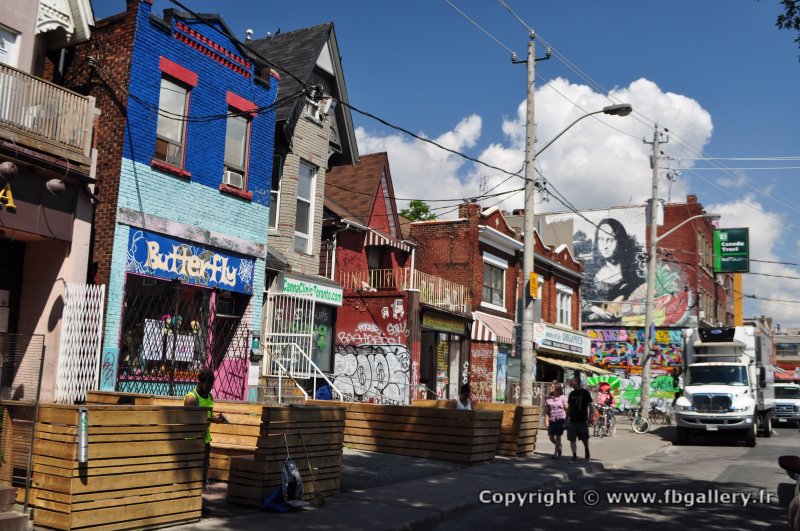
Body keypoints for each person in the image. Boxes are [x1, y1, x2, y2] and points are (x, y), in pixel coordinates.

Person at [585, 218, 644, 321]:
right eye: (601, 239)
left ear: (621, 241)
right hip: (592, 326)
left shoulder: (633, 276)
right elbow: (580, 299)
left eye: (611, 239)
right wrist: (595, 309)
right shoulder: (590, 275)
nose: (605, 246)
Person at [184, 368, 224, 515]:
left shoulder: (210, 397)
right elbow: (188, 419)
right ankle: (187, 502)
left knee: (202, 473)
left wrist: (216, 419)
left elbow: (208, 415)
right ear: (200, 382)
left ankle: (197, 502)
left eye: (211, 386)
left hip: (205, 440)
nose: (209, 388)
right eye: (207, 385)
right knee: (190, 473)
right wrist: (208, 418)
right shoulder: (191, 398)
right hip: (192, 441)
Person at [566, 375, 593, 463]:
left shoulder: (585, 393)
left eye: (573, 382)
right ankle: (574, 456)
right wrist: (566, 418)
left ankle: (587, 449)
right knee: (572, 439)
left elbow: (590, 406)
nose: (571, 383)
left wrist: (590, 416)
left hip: (582, 420)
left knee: (584, 438)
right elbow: (569, 407)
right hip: (572, 420)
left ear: (577, 382)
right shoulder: (571, 394)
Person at [544, 384, 568, 459]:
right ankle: (559, 445)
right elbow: (547, 410)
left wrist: (566, 420)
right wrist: (546, 420)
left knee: (558, 436)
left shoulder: (563, 398)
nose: (550, 387)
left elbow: (566, 409)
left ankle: (555, 453)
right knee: (550, 436)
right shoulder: (549, 397)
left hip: (560, 419)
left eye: (552, 387)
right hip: (552, 419)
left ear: (557, 389)